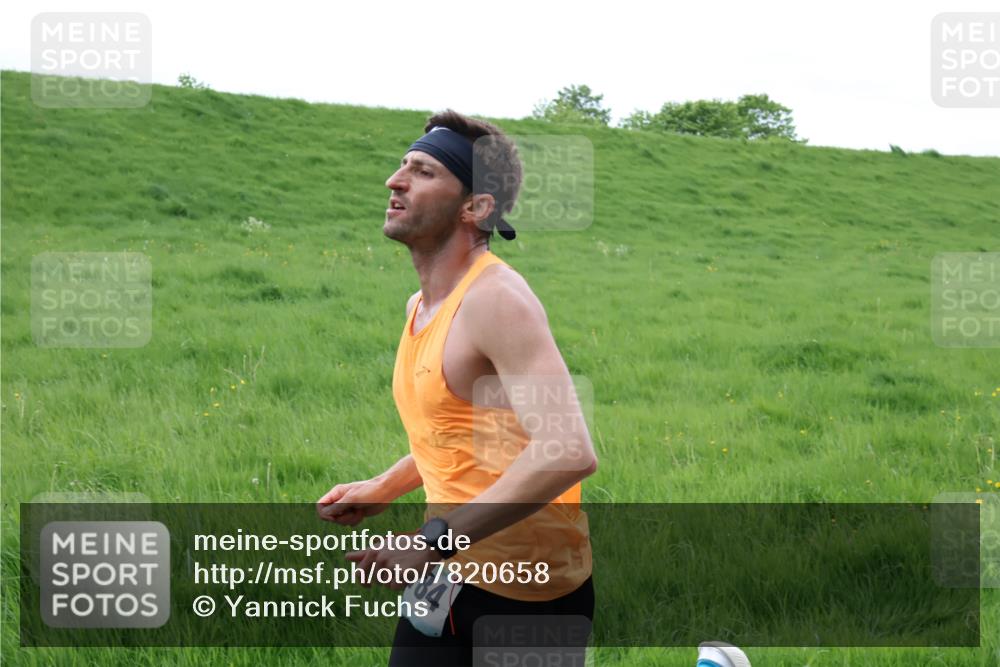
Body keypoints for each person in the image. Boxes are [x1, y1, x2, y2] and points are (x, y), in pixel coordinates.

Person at [317, 109, 597, 666]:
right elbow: (459, 427)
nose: (395, 181)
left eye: (423, 171)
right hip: (448, 573)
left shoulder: (496, 301)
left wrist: (426, 543)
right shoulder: (421, 306)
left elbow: (568, 450)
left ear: (475, 207)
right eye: (402, 166)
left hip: (527, 590)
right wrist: (385, 486)